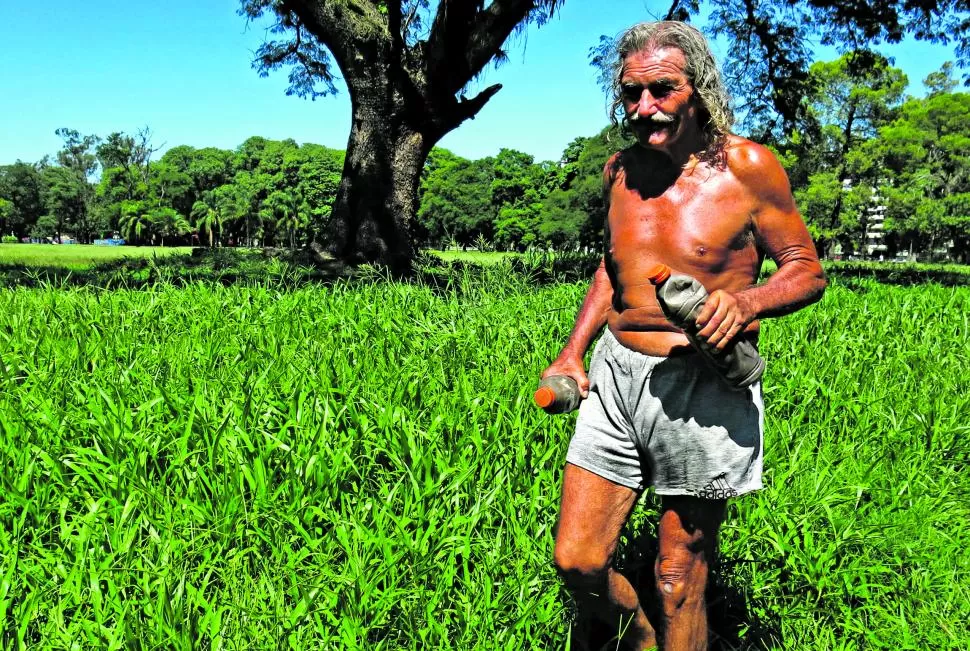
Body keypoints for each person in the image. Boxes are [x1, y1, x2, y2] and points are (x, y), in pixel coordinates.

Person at [543, 21, 826, 651]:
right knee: (578, 562)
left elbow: (807, 271)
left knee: (678, 577)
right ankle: (640, 640)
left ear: (698, 90)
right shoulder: (621, 170)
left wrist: (745, 302)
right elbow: (612, 269)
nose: (644, 109)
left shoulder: (748, 167)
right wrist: (572, 351)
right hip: (616, 380)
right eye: (631, 94)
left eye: (663, 90)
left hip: (704, 381)